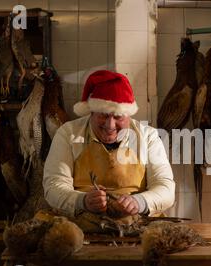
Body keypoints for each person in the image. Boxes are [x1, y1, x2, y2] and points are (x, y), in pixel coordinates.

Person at [43, 70, 175, 228]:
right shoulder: (68, 134)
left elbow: (166, 189)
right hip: (80, 224)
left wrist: (140, 202)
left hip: (135, 224)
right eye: (103, 115)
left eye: (118, 116)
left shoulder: (148, 137)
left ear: (129, 115)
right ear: (91, 112)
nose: (110, 125)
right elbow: (53, 187)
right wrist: (82, 201)